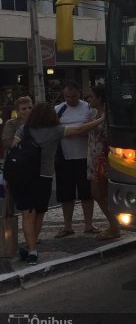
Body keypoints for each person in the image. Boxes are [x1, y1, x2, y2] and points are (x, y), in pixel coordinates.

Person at [12, 102, 104, 264]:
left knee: (27, 214)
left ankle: (31, 250)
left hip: (24, 177)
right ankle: (30, 248)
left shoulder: (23, 129)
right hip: (44, 177)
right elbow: (80, 130)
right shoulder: (56, 131)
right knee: (39, 213)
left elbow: (13, 149)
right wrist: (101, 119)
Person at [54, 80, 98, 238]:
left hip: (84, 157)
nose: (70, 100)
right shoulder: (58, 110)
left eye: (73, 97)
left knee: (87, 193)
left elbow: (94, 128)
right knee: (66, 194)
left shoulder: (88, 108)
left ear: (78, 94)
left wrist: (83, 130)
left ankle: (88, 224)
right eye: (67, 97)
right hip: (64, 157)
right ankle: (67, 226)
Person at [86, 84, 120, 241]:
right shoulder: (95, 113)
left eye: (92, 96)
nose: (89, 99)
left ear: (100, 98)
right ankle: (114, 224)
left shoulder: (108, 115)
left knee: (99, 193)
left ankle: (114, 226)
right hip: (93, 158)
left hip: (102, 159)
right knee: (100, 194)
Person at [2, 97, 33, 214]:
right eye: (23, 108)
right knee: (10, 199)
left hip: (31, 165)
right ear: (17, 111)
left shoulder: (36, 123)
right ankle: (9, 228)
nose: (27, 111)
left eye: (30, 107)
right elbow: (6, 142)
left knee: (31, 200)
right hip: (14, 165)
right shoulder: (12, 123)